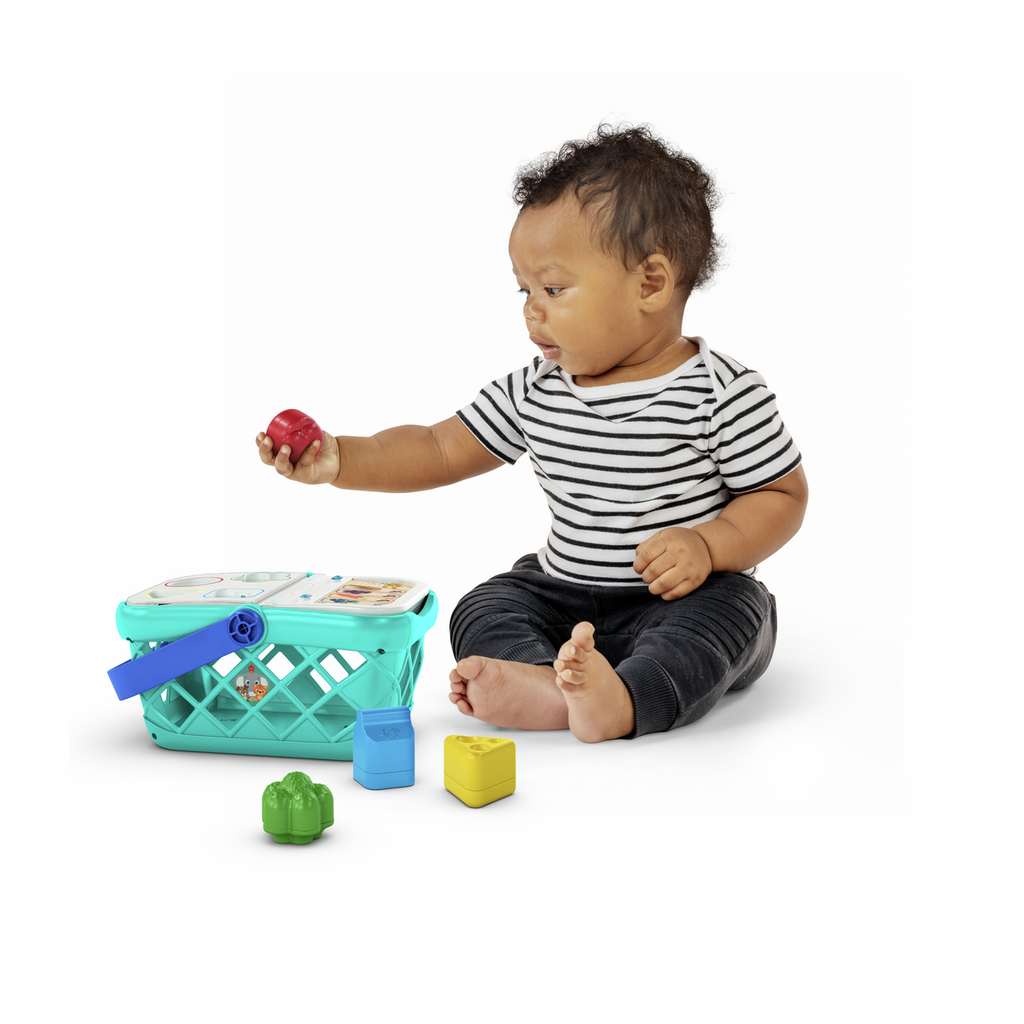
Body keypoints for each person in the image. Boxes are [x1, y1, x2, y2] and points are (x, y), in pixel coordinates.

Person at [256, 124, 808, 744]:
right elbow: (439, 448)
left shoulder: (721, 392)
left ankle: (626, 699)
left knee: (733, 615)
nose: (530, 309)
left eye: (553, 288)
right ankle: (551, 683)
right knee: (485, 605)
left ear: (650, 284)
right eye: (523, 289)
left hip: (684, 598)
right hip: (562, 593)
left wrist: (709, 545)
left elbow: (781, 495)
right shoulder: (536, 389)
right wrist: (341, 459)